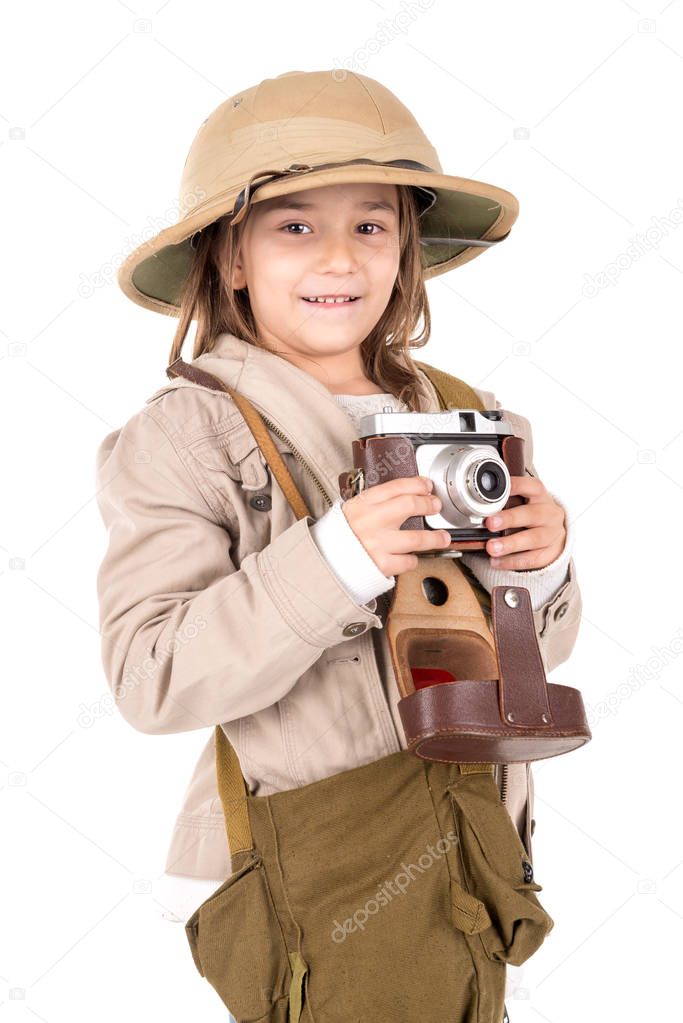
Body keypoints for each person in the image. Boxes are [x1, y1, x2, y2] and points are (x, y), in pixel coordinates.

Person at [95, 69, 581, 1017]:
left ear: (405, 247)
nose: (339, 258)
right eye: (293, 225)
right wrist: (335, 561)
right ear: (229, 259)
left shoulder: (467, 418)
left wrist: (540, 563)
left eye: (370, 224)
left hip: (481, 841)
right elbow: (150, 676)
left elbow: (531, 655)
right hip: (322, 849)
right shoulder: (186, 436)